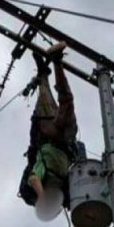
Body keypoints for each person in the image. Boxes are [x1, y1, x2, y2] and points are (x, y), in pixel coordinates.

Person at [21, 42, 78, 215]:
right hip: (66, 139)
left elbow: (33, 178)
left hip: (48, 135)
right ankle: (57, 61)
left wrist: (42, 196)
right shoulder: (62, 189)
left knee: (45, 95)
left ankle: (43, 74)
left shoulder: (41, 178)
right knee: (67, 101)